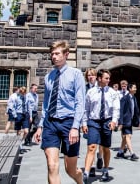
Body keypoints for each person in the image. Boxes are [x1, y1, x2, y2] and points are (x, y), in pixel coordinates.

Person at [33, 40, 85, 184]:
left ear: (66, 54)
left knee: (71, 170)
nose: (54, 57)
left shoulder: (76, 74)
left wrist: (75, 127)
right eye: (52, 54)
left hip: (69, 123)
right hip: (50, 123)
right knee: (52, 165)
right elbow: (46, 103)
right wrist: (40, 126)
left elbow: (80, 102)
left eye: (57, 53)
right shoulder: (49, 77)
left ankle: (80, 179)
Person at [82, 69, 119, 182]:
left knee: (105, 148)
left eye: (109, 78)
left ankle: (105, 170)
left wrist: (114, 121)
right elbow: (86, 109)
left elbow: (116, 108)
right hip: (93, 122)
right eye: (106, 78)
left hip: (107, 122)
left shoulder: (112, 92)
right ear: (99, 78)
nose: (108, 80)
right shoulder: (91, 92)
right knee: (91, 147)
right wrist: (84, 123)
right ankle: (86, 173)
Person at [84, 68, 104, 176]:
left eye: (92, 75)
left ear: (96, 76)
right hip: (90, 120)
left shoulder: (100, 87)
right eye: (88, 75)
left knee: (100, 143)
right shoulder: (84, 88)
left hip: (101, 119)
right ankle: (91, 167)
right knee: (91, 145)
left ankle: (100, 156)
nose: (90, 77)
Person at [117, 83, 140, 161]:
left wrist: (138, 120)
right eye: (134, 87)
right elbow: (120, 111)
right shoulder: (124, 98)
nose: (136, 89)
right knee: (127, 136)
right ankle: (132, 153)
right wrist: (120, 122)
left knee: (127, 137)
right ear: (130, 89)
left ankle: (120, 152)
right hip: (125, 121)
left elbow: (136, 110)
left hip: (130, 121)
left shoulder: (134, 98)